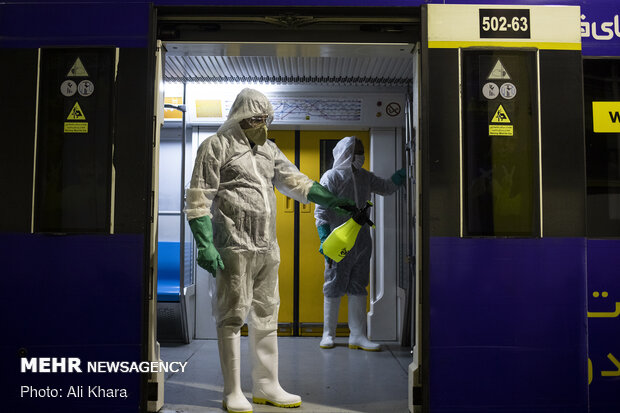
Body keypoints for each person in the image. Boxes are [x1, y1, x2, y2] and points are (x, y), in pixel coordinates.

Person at [185, 88, 355, 413]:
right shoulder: (215, 147)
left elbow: (298, 181)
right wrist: (205, 245)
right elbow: (198, 200)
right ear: (240, 118)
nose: (263, 126)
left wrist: (332, 199)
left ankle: (266, 385)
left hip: (267, 248)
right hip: (232, 246)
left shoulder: (269, 150)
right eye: (256, 119)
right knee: (232, 314)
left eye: (266, 119)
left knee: (266, 313)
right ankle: (232, 391)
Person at [315, 136, 406, 351]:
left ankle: (357, 335)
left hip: (362, 240)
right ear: (346, 153)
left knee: (358, 284)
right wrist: (324, 238)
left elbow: (385, 187)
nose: (360, 156)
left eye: (362, 151)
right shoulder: (332, 177)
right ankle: (328, 334)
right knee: (334, 284)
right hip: (338, 239)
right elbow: (321, 210)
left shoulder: (365, 177)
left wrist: (402, 174)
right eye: (358, 151)